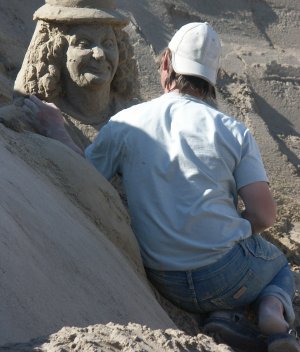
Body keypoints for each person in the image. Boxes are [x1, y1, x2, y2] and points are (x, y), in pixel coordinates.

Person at [23, 22, 299, 352]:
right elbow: (264, 215)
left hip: (164, 275)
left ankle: (223, 319)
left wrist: (57, 130)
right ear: (213, 78)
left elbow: (86, 177)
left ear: (166, 62)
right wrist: (237, 227)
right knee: (277, 265)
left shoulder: (127, 122)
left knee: (226, 270)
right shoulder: (233, 131)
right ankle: (271, 311)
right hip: (226, 276)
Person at [14, 0, 139, 148]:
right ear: (54, 52)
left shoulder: (137, 118)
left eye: (108, 43)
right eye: (83, 44)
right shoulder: (31, 119)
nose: (99, 54)